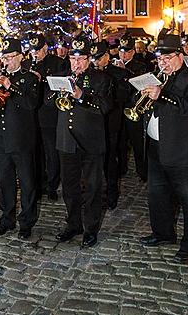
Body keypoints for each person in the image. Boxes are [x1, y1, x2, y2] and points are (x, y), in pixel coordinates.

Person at [140, 34, 188, 264]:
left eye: (167, 57)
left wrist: (164, 95)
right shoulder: (162, 78)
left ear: (180, 55)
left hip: (182, 150)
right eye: (160, 59)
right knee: (157, 194)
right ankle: (163, 233)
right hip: (157, 147)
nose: (163, 62)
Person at [55, 35, 112, 248]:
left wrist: (81, 96)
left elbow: (105, 107)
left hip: (91, 142)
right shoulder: (62, 76)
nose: (76, 63)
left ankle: (90, 228)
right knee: (69, 187)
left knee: (93, 188)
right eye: (73, 59)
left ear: (89, 59)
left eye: (80, 59)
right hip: (66, 141)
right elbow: (49, 104)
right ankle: (73, 224)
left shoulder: (100, 79)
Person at [0, 37, 39, 239]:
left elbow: (31, 104)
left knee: (27, 182)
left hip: (21, 139)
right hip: (1, 138)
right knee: (4, 181)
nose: (7, 61)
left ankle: (26, 222)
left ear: (21, 56)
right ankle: (7, 218)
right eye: (5, 57)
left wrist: (11, 86)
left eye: (11, 57)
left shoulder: (29, 78)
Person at [28, 32, 70, 201]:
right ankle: (38, 184)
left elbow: (61, 84)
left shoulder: (58, 63)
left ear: (45, 47)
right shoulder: (27, 63)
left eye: (38, 50)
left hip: (49, 116)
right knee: (35, 153)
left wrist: (42, 79)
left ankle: (52, 185)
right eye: (32, 50)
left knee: (52, 153)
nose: (35, 53)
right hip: (31, 116)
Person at [92, 41, 130, 210]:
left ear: (107, 56)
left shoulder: (118, 73)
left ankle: (111, 194)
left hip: (110, 123)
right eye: (94, 58)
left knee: (109, 161)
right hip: (92, 123)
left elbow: (122, 97)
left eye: (99, 58)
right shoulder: (90, 73)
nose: (96, 62)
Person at [116, 33, 147, 180]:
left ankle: (142, 171)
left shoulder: (140, 66)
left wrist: (124, 71)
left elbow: (138, 83)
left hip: (133, 107)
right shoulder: (114, 65)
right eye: (121, 51)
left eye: (127, 51)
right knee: (120, 141)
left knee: (137, 143)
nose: (123, 54)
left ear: (133, 52)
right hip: (119, 108)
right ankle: (121, 168)